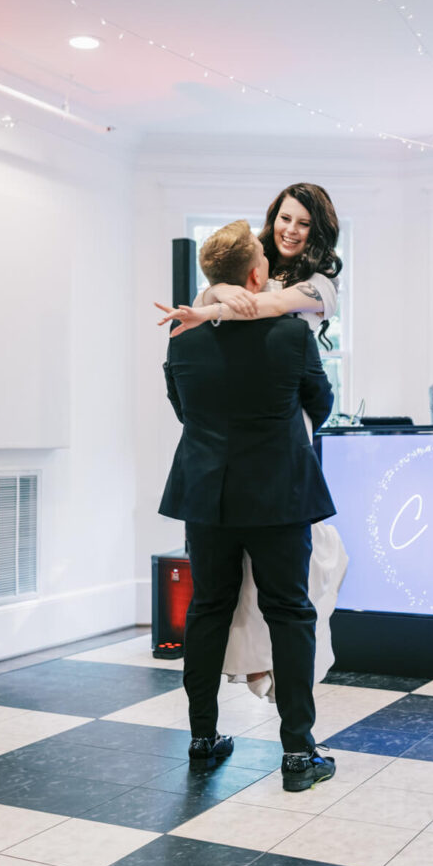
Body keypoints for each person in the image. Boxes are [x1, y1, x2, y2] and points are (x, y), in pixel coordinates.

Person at [159, 220, 337, 791]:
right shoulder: (291, 335)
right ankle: (297, 753)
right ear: (256, 274)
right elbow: (321, 403)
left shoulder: (182, 336)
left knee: (207, 609)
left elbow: (181, 406)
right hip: (279, 492)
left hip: (206, 492)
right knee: (290, 613)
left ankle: (202, 739)